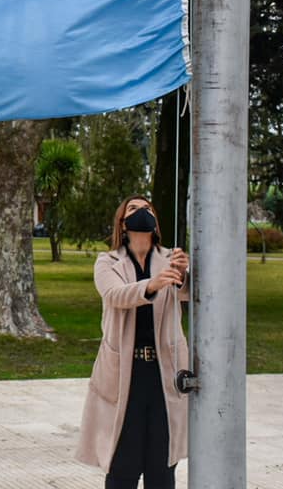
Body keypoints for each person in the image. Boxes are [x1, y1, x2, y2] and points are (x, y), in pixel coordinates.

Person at [76, 195, 190, 489]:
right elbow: (115, 295)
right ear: (122, 223)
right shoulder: (108, 262)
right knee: (122, 466)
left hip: (163, 373)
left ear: (156, 222)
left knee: (162, 467)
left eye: (148, 208)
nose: (142, 213)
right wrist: (152, 285)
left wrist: (184, 276)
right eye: (134, 209)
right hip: (125, 373)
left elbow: (190, 293)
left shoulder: (170, 259)